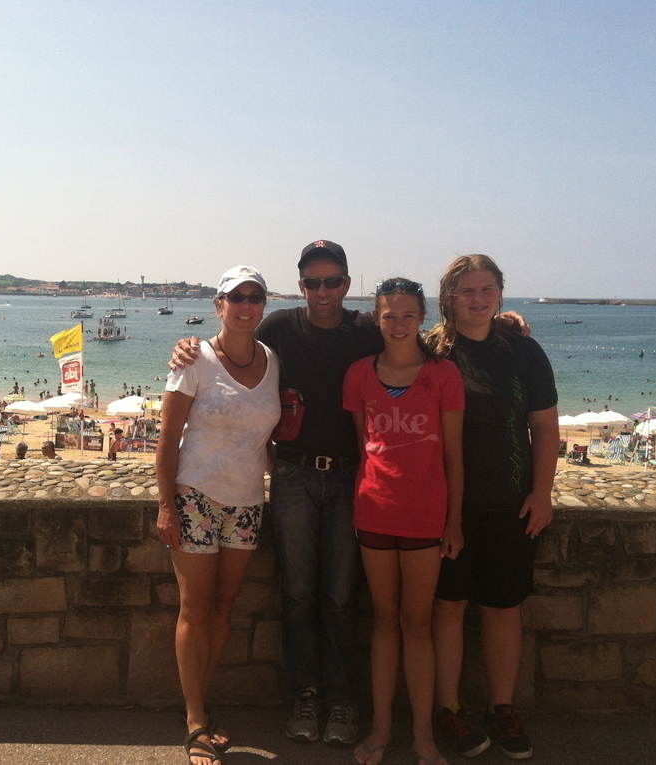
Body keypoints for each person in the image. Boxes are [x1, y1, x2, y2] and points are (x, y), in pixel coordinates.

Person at [171, 240, 529, 748]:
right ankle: (306, 695)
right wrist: (187, 346)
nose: (323, 291)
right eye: (312, 282)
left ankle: (342, 699)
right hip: (293, 477)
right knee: (298, 594)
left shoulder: (367, 329)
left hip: (348, 480)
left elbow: (412, 336)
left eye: (332, 281)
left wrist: (499, 324)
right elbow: (232, 340)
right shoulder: (278, 328)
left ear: (346, 283)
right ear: (300, 287)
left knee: (342, 597)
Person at [427, 255, 559, 761]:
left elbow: (544, 426)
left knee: (503, 607)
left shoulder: (523, 351)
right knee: (448, 606)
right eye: (467, 291)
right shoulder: (430, 351)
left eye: (487, 290)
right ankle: (448, 708)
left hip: (511, 502)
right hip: (447, 508)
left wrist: (542, 493)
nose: (478, 299)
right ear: (449, 298)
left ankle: (502, 707)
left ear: (501, 294)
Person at [156, 265, 280, 765]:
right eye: (236, 297)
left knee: (224, 607)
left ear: (263, 305)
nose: (245, 305)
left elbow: (265, 437)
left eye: (254, 297)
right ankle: (194, 723)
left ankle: (202, 708)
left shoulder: (273, 359)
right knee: (196, 608)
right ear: (219, 305)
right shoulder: (194, 360)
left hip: (247, 501)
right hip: (196, 497)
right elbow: (167, 439)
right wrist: (166, 505)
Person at [343, 278, 465, 765]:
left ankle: (422, 736)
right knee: (384, 621)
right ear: (377, 319)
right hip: (373, 511)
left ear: (422, 319)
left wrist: (454, 523)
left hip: (425, 516)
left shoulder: (443, 375)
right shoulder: (358, 374)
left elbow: (453, 456)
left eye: (408, 315)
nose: (398, 325)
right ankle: (380, 729)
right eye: (389, 316)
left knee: (417, 624)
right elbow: (364, 447)